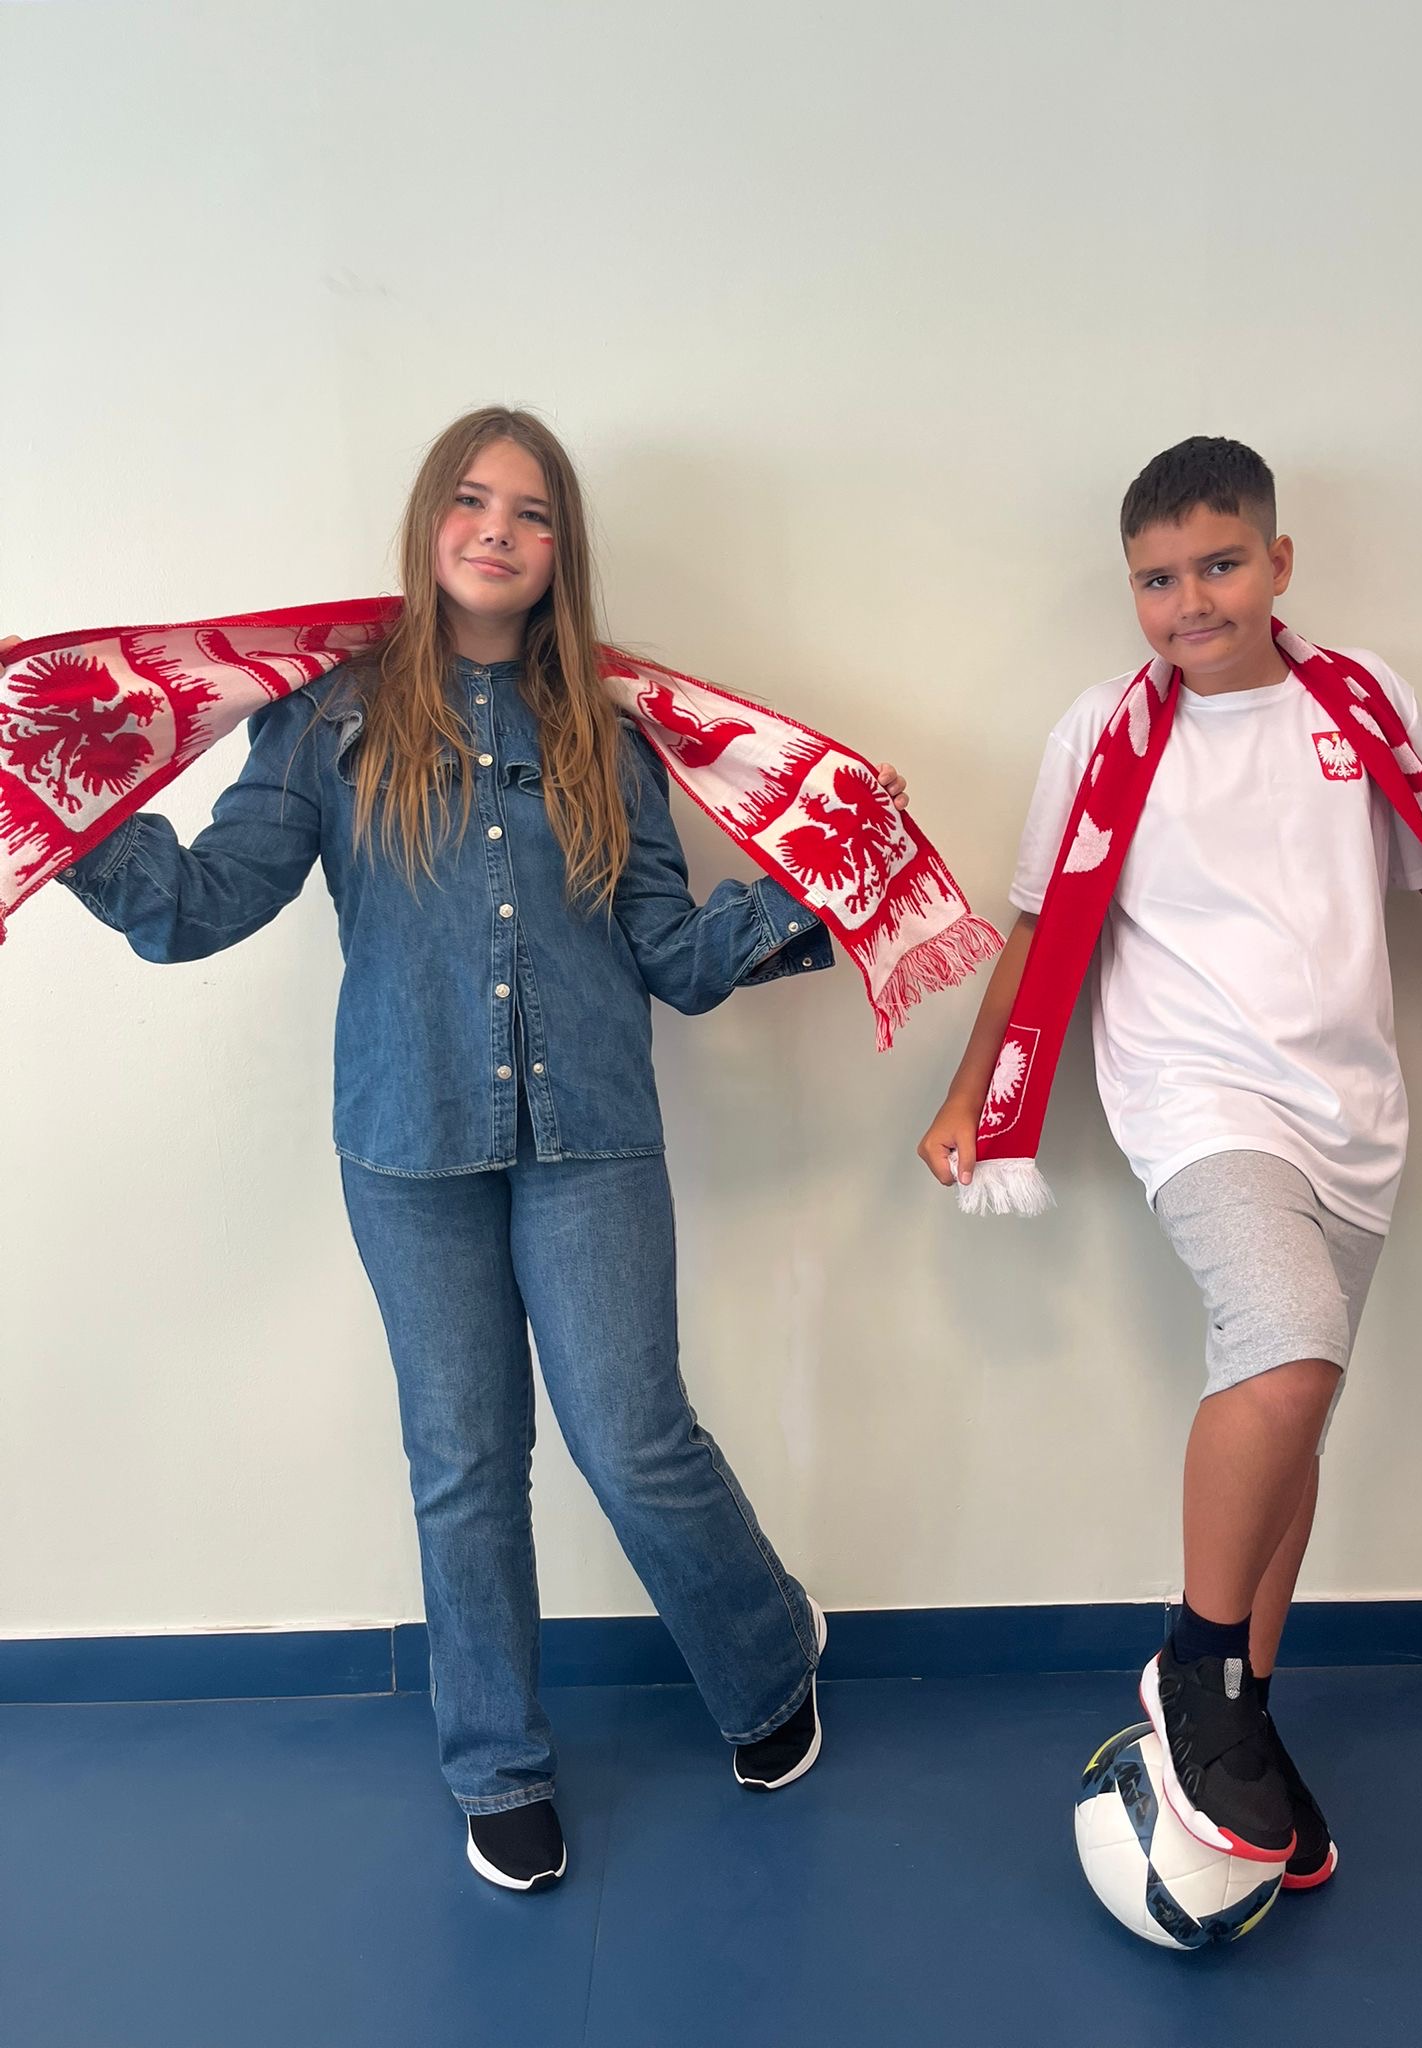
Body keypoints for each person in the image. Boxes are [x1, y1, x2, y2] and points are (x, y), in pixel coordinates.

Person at [4, 404, 910, 1894]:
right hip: (406, 1144)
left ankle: (766, 1660)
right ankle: (498, 1765)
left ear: (562, 551)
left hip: (592, 1134)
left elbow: (673, 957)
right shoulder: (329, 719)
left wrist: (823, 881)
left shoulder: (608, 730)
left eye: (533, 512)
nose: (500, 530)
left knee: (634, 1440)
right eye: (473, 501)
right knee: (466, 1463)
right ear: (430, 523)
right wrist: (69, 807)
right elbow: (201, 906)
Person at [918, 436, 1422, 1889]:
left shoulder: (1362, 705)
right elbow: (1041, 924)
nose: (1189, 601)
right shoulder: (1103, 730)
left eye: (1219, 565)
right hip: (1192, 1094)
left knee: (1294, 1418)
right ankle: (1193, 1670)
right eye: (1156, 579)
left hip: (1353, 1113)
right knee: (1289, 1339)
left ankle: (1247, 1711)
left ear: (1278, 561)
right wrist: (970, 1096)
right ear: (1129, 587)